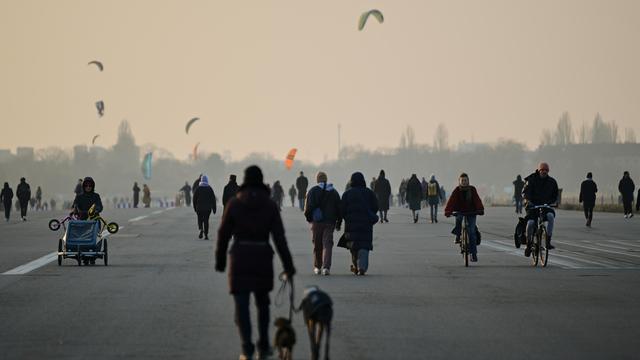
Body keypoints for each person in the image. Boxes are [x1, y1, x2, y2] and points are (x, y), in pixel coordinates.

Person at [215, 165, 296, 360]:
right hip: (262, 257)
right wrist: (288, 265)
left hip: (239, 257)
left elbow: (223, 234)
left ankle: (247, 347)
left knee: (241, 306)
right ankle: (264, 344)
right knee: (263, 304)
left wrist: (220, 260)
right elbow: (279, 238)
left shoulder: (234, 204)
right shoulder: (269, 205)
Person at [304, 171, 342, 276]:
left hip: (317, 222)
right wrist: (339, 221)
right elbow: (339, 208)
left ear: (317, 179)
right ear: (326, 179)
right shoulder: (334, 192)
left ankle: (317, 266)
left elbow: (308, 208)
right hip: (330, 222)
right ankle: (326, 267)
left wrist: (309, 219)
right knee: (328, 244)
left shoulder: (312, 191)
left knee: (317, 244)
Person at [341, 172, 379, 275]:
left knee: (353, 247)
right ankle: (362, 266)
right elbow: (376, 206)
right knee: (364, 245)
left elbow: (342, 210)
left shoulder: (347, 194)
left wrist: (347, 218)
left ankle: (355, 265)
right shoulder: (369, 193)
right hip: (366, 224)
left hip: (351, 225)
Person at [444, 173, 484, 262]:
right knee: (458, 219)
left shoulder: (472, 189)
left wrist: (480, 209)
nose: (464, 182)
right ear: (459, 182)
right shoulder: (457, 190)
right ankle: (458, 235)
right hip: (460, 212)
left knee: (472, 232)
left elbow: (477, 200)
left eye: (465, 180)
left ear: (468, 181)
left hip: (472, 212)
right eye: (462, 181)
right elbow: (451, 201)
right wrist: (447, 211)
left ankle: (473, 254)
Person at [523, 162, 559, 255]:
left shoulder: (552, 182)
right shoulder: (531, 179)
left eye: (546, 170)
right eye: (542, 170)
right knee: (531, 223)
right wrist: (528, 201)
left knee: (551, 216)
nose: (544, 172)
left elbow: (555, 195)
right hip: (533, 206)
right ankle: (528, 244)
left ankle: (548, 241)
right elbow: (525, 192)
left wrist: (553, 202)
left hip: (546, 206)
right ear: (539, 170)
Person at [72, 177, 104, 265]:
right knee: (82, 237)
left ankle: (93, 256)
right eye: (86, 185)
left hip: (94, 219)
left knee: (96, 237)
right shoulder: (79, 196)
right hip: (83, 219)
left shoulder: (96, 196)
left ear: (93, 186)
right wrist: (76, 210)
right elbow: (75, 206)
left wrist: (96, 210)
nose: (88, 187)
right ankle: (84, 256)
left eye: (90, 185)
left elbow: (100, 206)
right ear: (83, 186)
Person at [193, 175, 217, 240]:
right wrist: (214, 208)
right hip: (207, 208)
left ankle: (201, 229)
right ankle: (206, 235)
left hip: (199, 208)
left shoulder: (198, 188)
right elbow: (213, 199)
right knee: (206, 221)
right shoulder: (209, 188)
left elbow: (194, 199)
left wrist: (195, 207)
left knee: (200, 219)